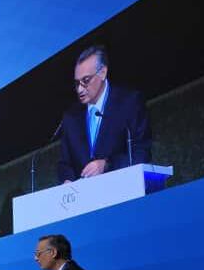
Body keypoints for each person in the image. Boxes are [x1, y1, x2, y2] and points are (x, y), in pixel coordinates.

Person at [57, 45, 151, 183]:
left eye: (86, 81)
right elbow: (65, 164)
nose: (80, 89)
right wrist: (67, 180)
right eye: (77, 83)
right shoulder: (71, 118)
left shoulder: (128, 103)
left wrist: (107, 165)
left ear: (102, 72)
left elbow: (141, 152)